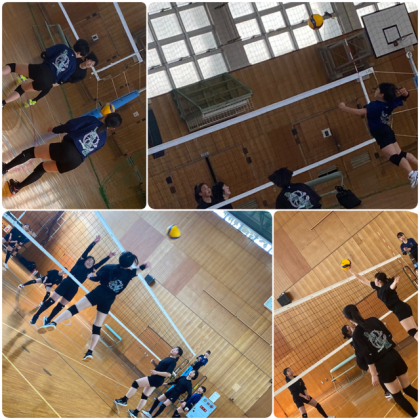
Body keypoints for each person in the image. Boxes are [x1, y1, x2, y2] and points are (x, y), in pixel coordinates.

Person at [38, 252, 150, 362]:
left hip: (99, 292)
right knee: (97, 325)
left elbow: (97, 279)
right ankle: (90, 352)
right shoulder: (130, 273)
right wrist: (145, 265)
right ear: (129, 264)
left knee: (76, 308)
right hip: (109, 299)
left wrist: (90, 277)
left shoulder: (109, 267)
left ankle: (54, 323)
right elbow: (139, 269)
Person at [3, 113, 122, 195]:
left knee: (30, 153)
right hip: (75, 162)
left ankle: (5, 168)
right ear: (113, 128)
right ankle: (17, 187)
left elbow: (71, 126)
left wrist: (55, 129)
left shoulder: (93, 120)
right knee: (42, 169)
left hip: (68, 149)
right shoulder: (103, 140)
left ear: (106, 115)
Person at [343, 305, 418, 417]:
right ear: (358, 311)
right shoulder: (373, 320)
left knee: (397, 395)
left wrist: (373, 374)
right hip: (394, 355)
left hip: (382, 365)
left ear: (348, 319)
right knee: (408, 388)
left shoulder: (356, 335)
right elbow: (388, 334)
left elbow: (367, 355)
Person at [338, 83, 417, 188]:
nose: (375, 91)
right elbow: (404, 97)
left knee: (393, 156)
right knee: (400, 154)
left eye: (377, 90)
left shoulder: (374, 106)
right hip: (386, 130)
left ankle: (412, 173)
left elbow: (360, 112)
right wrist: (405, 93)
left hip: (380, 132)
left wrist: (344, 108)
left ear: (381, 94)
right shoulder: (390, 102)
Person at [30, 235, 113, 328]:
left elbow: (100, 263)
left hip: (74, 289)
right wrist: (94, 243)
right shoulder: (80, 263)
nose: (90, 263)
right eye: (89, 260)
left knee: (61, 306)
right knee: (51, 301)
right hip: (66, 283)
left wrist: (108, 257)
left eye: (92, 262)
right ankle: (36, 316)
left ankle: (48, 319)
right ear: (85, 260)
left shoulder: (90, 270)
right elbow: (86, 252)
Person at [2, 39, 89, 108]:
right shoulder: (73, 66)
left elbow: (45, 54)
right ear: (80, 53)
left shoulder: (63, 47)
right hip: (48, 83)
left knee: (12, 67)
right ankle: (2, 103)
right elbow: (62, 80)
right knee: (22, 88)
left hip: (42, 70)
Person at [348, 264, 418, 341]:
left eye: (375, 279)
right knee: (415, 329)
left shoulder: (387, 286)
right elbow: (364, 280)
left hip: (400, 309)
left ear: (379, 281)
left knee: (412, 331)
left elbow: (391, 287)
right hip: (402, 307)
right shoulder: (377, 287)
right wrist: (352, 272)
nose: (374, 281)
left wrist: (395, 282)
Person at [114, 347, 183, 418]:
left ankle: (124, 400)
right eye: (174, 348)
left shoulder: (173, 362)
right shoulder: (168, 358)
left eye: (176, 350)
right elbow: (161, 369)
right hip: (156, 378)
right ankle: (135, 412)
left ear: (178, 355)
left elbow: (168, 374)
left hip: (156, 379)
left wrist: (156, 372)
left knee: (135, 383)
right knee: (145, 395)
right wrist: (154, 363)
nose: (173, 349)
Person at [20, 52, 99, 107]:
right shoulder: (77, 60)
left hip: (61, 80)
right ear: (87, 59)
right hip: (58, 71)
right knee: (42, 73)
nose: (90, 64)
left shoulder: (83, 74)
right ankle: (26, 76)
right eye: (91, 62)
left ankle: (35, 100)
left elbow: (72, 81)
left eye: (92, 65)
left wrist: (65, 76)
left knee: (47, 86)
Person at [341, 324, 392, 400]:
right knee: (377, 373)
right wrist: (354, 330)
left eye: (349, 325)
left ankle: (389, 388)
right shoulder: (352, 339)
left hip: (367, 358)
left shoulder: (357, 333)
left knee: (380, 371)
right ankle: (387, 392)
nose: (351, 326)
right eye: (349, 328)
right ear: (348, 332)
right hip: (363, 362)